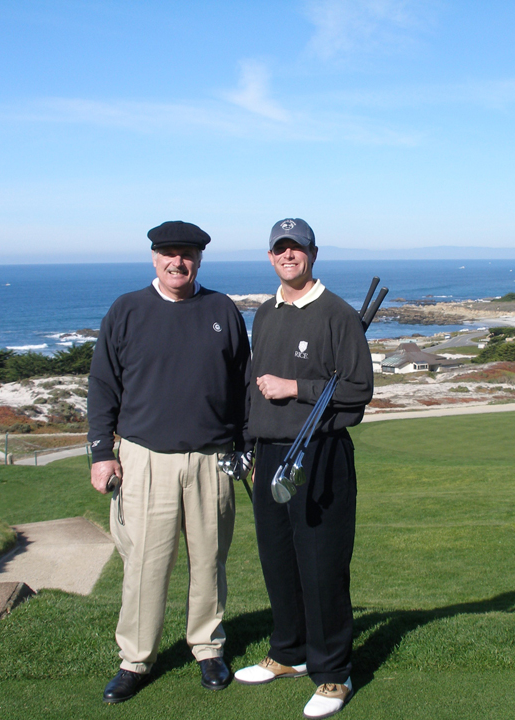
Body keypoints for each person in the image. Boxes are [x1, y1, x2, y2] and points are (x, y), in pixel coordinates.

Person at [87, 220, 252, 703]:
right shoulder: (127, 310)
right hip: (144, 459)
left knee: (209, 561)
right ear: (154, 258)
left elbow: (242, 385)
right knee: (145, 564)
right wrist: (101, 454)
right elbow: (103, 386)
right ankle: (136, 659)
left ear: (199, 260)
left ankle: (207, 647)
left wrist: (245, 447)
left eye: (187, 254)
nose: (177, 262)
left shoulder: (221, 309)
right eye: (168, 254)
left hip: (212, 459)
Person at [235, 218, 373, 719]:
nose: (288, 256)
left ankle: (334, 674)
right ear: (271, 256)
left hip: (319, 452)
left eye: (296, 248)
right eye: (280, 249)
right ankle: (288, 654)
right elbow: (254, 386)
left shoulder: (337, 314)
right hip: (271, 452)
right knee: (279, 560)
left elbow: (358, 391)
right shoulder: (265, 313)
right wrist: (250, 444)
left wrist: (296, 387)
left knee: (322, 565)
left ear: (313, 253)